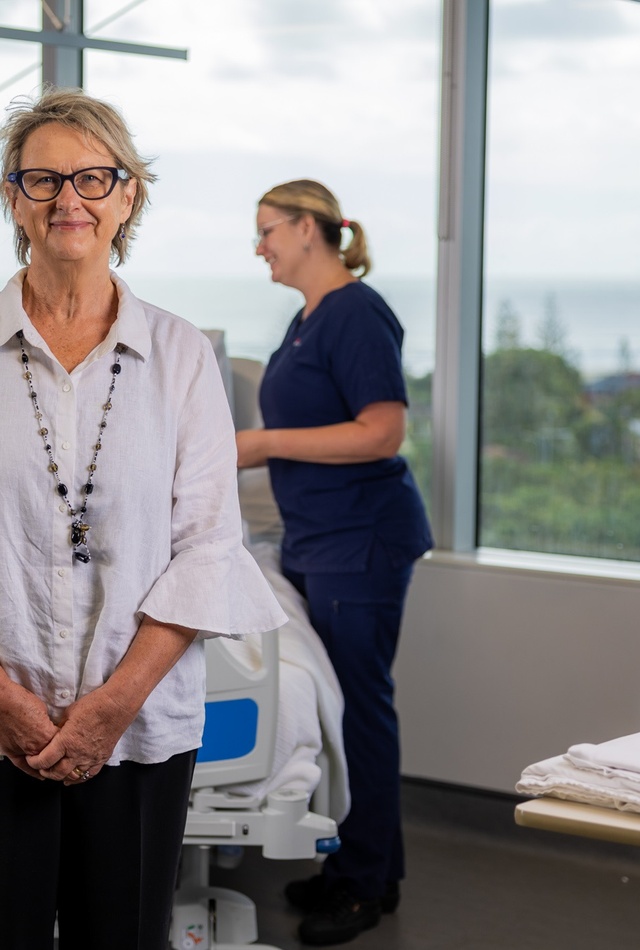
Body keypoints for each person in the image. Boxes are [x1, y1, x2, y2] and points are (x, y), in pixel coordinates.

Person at [0, 87, 286, 950]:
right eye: (42, 180)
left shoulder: (181, 354)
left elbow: (207, 547)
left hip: (139, 727)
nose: (68, 200)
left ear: (129, 197)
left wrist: (108, 710)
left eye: (93, 178)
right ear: (13, 198)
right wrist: (4, 700)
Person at [236, 179, 433, 946]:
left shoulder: (354, 311)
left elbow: (382, 433)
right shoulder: (306, 318)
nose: (260, 248)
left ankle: (359, 886)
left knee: (361, 711)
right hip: (321, 540)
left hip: (362, 540)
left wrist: (260, 445)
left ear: (312, 229)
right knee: (351, 708)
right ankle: (369, 872)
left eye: (268, 231)